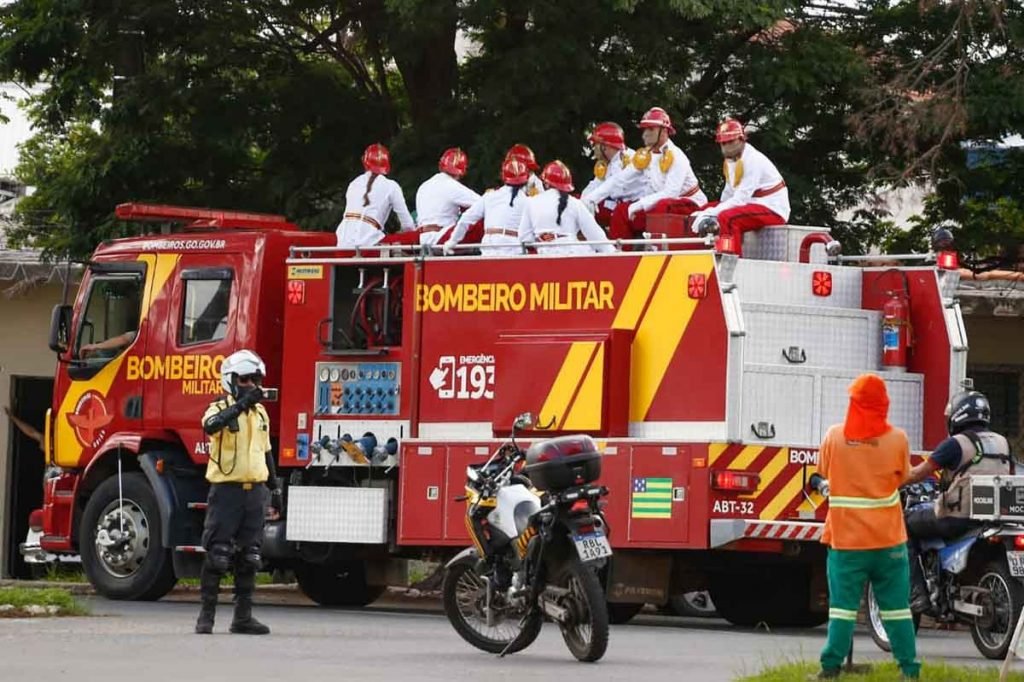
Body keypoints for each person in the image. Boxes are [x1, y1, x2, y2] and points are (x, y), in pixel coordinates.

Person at [816, 373, 920, 680]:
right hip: (889, 542)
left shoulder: (834, 437)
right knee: (897, 609)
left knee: (842, 609)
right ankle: (909, 670)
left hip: (847, 543)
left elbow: (823, 474)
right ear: (883, 405)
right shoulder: (898, 439)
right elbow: (903, 477)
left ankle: (831, 668)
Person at [195, 349, 282, 635]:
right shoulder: (219, 407)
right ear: (231, 380)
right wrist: (241, 405)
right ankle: (206, 617)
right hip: (226, 492)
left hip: (254, 492)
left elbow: (266, 451)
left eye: (256, 380)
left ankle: (242, 617)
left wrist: (274, 487)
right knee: (218, 553)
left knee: (250, 555)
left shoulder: (260, 414)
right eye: (245, 380)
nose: (252, 385)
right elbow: (210, 426)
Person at [902, 390, 1012, 612]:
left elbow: (917, 473)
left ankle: (917, 593)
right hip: (992, 519)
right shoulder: (1002, 442)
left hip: (956, 517)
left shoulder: (955, 444)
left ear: (958, 415)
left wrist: (888, 481)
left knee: (902, 524)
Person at [689, 119, 790, 256]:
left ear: (742, 140)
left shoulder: (753, 160)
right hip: (752, 203)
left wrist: (714, 212)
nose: (727, 147)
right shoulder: (731, 160)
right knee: (701, 211)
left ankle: (730, 263)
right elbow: (729, 193)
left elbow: (740, 199)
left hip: (772, 207)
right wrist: (709, 210)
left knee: (728, 218)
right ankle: (699, 255)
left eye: (731, 142)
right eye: (723, 143)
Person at [606, 107, 707, 244]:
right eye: (645, 129)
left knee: (662, 206)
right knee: (622, 210)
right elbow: (620, 178)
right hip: (658, 203)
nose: (645, 134)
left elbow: (671, 192)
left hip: (688, 203)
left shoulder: (677, 156)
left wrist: (639, 205)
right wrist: (591, 198)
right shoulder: (645, 156)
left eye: (651, 129)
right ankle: (618, 254)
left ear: (664, 131)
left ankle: (656, 251)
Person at [518, 161, 615, 256]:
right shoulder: (575, 203)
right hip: (571, 256)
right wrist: (613, 253)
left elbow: (524, 237)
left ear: (546, 183)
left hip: (542, 255)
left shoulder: (531, 202)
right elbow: (595, 235)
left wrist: (542, 240)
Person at [444, 158, 531, 257]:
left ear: (503, 176)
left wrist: (453, 241)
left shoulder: (489, 196)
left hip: (489, 247)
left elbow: (466, 219)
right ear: (526, 178)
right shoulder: (528, 202)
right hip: (513, 249)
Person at [335, 143, 416, 249]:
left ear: (365, 162)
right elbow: (407, 225)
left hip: (342, 242)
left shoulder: (354, 183)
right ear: (386, 166)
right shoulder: (391, 186)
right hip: (369, 243)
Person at [579, 122, 645, 228]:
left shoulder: (629, 159)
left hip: (636, 208)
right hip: (618, 205)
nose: (593, 148)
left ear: (605, 146)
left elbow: (615, 186)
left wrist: (591, 200)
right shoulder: (607, 162)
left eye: (595, 144)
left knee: (607, 210)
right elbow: (594, 185)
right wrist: (582, 203)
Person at [415, 148, 481, 247]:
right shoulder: (452, 185)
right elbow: (483, 204)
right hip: (442, 237)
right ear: (462, 170)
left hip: (422, 238)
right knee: (483, 219)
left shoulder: (424, 185)